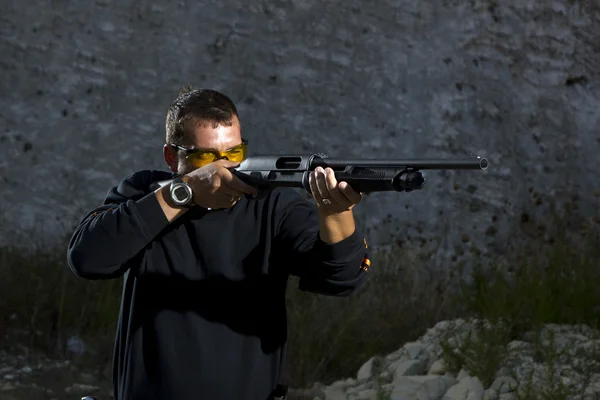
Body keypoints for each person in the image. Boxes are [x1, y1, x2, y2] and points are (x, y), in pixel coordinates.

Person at [67, 87, 371, 400]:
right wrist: (181, 193)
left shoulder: (274, 206)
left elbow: (340, 278)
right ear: (172, 157)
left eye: (234, 154)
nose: (223, 167)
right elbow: (87, 258)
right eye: (205, 158)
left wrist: (336, 214)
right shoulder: (145, 193)